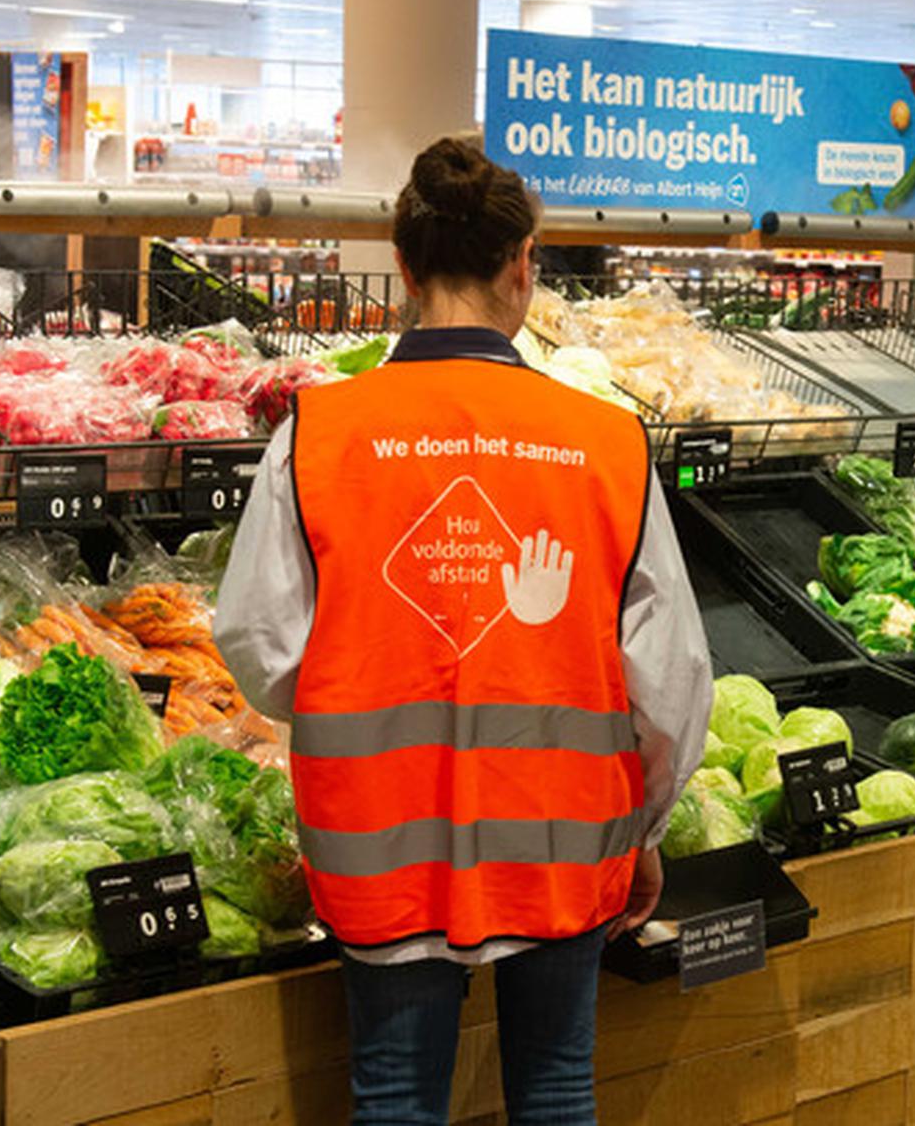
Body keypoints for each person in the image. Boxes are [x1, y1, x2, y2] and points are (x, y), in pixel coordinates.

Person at [214, 135, 712, 1125]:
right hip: (564, 838)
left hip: (377, 841)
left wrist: (370, 664)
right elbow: (672, 674)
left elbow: (259, 641)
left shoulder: (318, 432)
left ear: (402, 267)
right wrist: (646, 824)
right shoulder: (608, 440)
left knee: (395, 1099)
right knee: (558, 1091)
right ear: (522, 269)